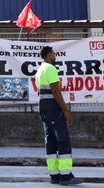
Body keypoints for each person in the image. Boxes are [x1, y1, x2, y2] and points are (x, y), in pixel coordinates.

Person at [35, 46, 83, 185]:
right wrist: (66, 111)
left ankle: (54, 175)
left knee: (50, 142)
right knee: (63, 141)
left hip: (44, 110)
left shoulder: (40, 70)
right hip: (53, 110)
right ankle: (65, 176)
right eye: (54, 54)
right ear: (49, 55)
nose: (55, 56)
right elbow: (56, 92)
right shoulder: (50, 69)